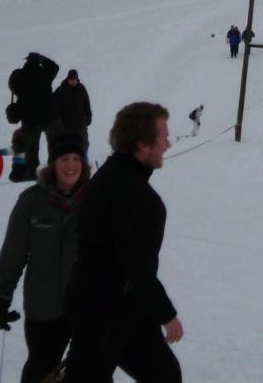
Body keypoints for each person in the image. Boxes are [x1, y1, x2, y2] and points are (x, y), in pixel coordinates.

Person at [64, 103, 183, 383]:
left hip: (122, 306)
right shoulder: (131, 193)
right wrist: (166, 314)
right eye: (163, 137)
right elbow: (136, 265)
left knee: (164, 374)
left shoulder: (115, 176)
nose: (168, 144)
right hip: (101, 310)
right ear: (142, 145)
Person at [0, 135, 89, 383]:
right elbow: (13, 253)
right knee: (41, 369)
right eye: (64, 159)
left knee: (91, 371)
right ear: (53, 164)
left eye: (76, 159)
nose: (71, 165)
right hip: (44, 306)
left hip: (87, 305)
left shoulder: (95, 200)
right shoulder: (32, 201)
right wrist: (1, 297)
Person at [9, 53, 60, 178]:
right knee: (54, 145)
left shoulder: (19, 75)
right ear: (39, 62)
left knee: (31, 148)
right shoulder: (44, 73)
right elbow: (55, 67)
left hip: (29, 118)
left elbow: (12, 86)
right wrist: (44, 59)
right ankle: (54, 170)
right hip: (48, 115)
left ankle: (32, 172)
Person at [54, 69, 93, 161]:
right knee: (68, 148)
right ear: (67, 79)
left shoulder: (81, 88)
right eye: (71, 79)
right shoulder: (61, 90)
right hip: (66, 127)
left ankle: (84, 163)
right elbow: (55, 109)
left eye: (75, 79)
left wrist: (88, 117)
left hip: (81, 125)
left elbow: (86, 104)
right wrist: (59, 124)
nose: (73, 81)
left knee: (84, 145)